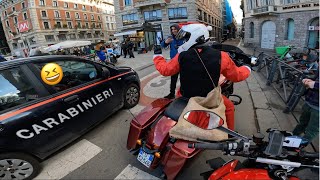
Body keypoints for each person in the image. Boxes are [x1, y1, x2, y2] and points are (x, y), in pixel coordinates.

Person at [153, 23, 251, 131]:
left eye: (186, 38)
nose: (184, 41)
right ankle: (230, 135)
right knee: (229, 108)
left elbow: (165, 70)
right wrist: (247, 67)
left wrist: (158, 56)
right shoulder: (221, 56)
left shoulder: (181, 56)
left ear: (194, 37)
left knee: (178, 93)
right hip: (208, 98)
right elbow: (237, 76)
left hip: (186, 96)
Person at [161, 24, 185, 99]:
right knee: (173, 78)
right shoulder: (170, 37)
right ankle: (172, 94)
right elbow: (162, 45)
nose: (173, 30)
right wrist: (166, 42)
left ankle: (183, 93)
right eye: (172, 29)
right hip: (174, 61)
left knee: (184, 78)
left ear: (178, 29)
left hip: (183, 60)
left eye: (175, 29)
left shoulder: (183, 36)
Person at [292, 76, 319, 143]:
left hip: (317, 108)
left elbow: (314, 83)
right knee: (302, 123)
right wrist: (308, 80)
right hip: (309, 102)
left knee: (312, 130)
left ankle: (299, 145)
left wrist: (313, 84)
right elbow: (316, 77)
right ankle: (292, 139)